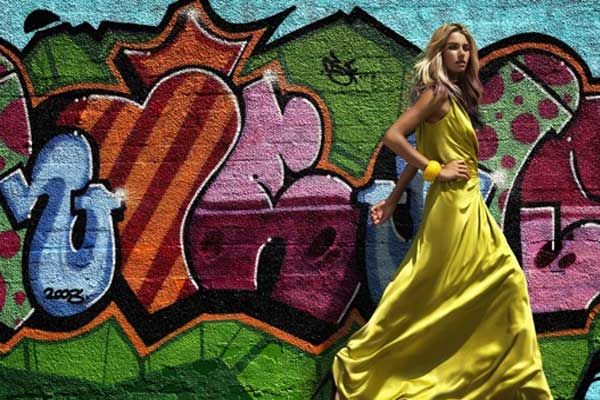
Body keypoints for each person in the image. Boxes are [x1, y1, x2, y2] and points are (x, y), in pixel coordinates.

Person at [329, 23, 554, 399]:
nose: (461, 54)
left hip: (469, 206)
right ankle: (359, 365)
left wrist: (392, 197)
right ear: (439, 53)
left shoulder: (457, 98)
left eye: (466, 48)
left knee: (487, 286)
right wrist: (438, 170)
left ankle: (502, 384)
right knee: (442, 287)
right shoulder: (436, 94)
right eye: (453, 48)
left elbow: (418, 156)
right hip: (452, 207)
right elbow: (394, 137)